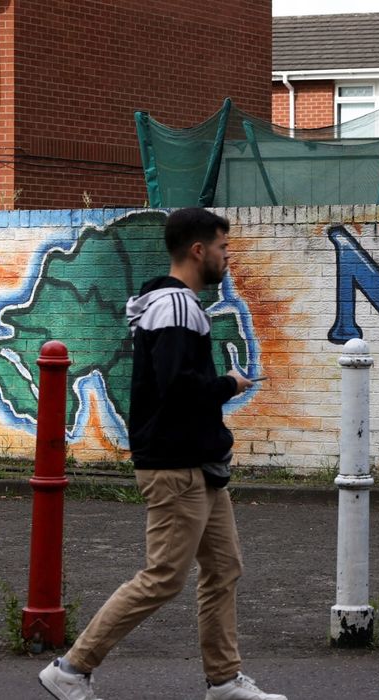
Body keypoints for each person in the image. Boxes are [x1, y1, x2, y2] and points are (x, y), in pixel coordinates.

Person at [39, 208, 285, 700]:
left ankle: (224, 680)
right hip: (176, 467)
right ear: (198, 250)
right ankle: (71, 668)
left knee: (223, 567)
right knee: (162, 577)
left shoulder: (176, 304)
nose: (227, 257)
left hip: (198, 464)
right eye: (222, 248)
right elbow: (177, 386)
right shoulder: (175, 308)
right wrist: (227, 384)